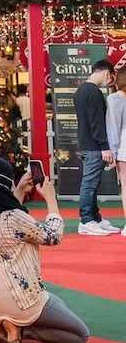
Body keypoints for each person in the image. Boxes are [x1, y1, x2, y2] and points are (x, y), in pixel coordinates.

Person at [0, 155, 89, 343]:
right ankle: (20, 331)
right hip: (17, 298)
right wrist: (50, 198)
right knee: (80, 336)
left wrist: (21, 189)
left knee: (59, 303)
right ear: (6, 184)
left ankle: (6, 325)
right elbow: (53, 236)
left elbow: (2, 217)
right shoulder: (15, 219)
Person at [74, 58, 117, 236]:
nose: (109, 82)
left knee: (91, 183)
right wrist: (104, 146)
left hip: (87, 143)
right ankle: (86, 220)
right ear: (106, 73)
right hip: (94, 145)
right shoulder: (95, 93)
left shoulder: (80, 91)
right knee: (89, 184)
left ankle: (95, 218)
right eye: (110, 78)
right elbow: (97, 122)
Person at [104, 65, 126, 236]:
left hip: (123, 148)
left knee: (125, 187)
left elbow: (113, 127)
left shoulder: (114, 99)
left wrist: (113, 152)